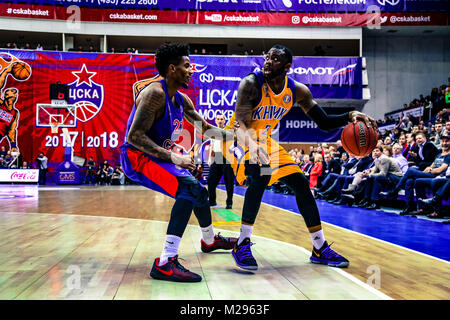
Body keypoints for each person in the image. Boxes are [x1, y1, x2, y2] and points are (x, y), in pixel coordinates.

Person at [223, 44, 376, 270]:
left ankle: (319, 247)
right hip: (237, 136)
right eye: (267, 57)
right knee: (260, 174)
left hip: (262, 139)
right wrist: (253, 146)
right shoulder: (251, 84)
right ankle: (242, 243)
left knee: (301, 183)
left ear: (286, 67)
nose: (268, 61)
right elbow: (240, 126)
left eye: (274, 59)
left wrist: (350, 115)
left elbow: (323, 122)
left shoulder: (297, 91)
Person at [120, 43, 237, 283]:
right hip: (136, 157)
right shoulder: (155, 94)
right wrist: (178, 158)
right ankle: (165, 262)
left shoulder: (181, 100)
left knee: (200, 193)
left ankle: (209, 240)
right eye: (186, 66)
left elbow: (205, 128)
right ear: (172, 69)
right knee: (189, 189)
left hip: (158, 155)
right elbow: (135, 137)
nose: (191, 70)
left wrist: (235, 135)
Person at [207, 113, 235, 209]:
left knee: (229, 182)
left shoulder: (229, 131)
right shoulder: (214, 132)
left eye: (222, 119)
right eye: (218, 119)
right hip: (218, 157)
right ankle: (212, 201)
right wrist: (210, 159)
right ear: (215, 120)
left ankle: (229, 202)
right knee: (210, 180)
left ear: (224, 120)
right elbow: (212, 146)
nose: (220, 120)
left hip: (228, 157)